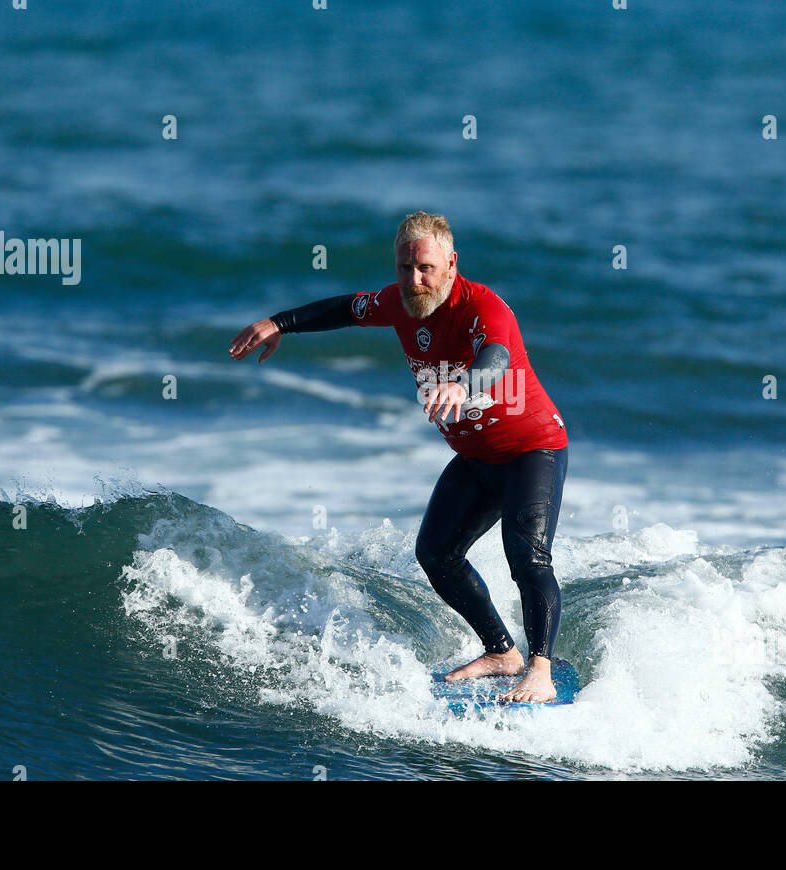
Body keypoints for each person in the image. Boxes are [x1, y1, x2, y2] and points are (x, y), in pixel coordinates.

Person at [229, 211, 568, 702]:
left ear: (451, 264)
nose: (414, 279)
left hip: (532, 449)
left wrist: (462, 383)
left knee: (527, 557)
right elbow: (347, 308)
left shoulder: (485, 308)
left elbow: (495, 358)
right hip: (476, 457)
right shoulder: (401, 303)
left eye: (426, 268)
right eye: (405, 268)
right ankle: (502, 651)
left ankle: (540, 669)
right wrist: (279, 323)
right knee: (436, 553)